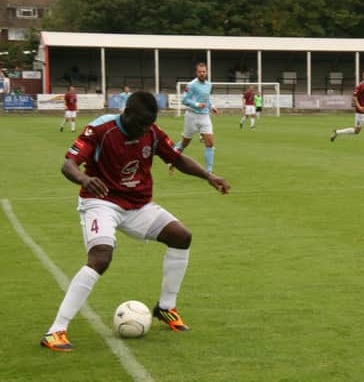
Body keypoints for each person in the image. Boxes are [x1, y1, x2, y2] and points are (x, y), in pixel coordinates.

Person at [40, 91, 231, 352]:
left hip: (138, 205)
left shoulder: (151, 131)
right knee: (100, 258)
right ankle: (56, 331)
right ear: (126, 113)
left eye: (147, 124)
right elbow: (68, 164)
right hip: (102, 201)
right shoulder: (100, 129)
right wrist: (85, 180)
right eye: (139, 124)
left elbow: (176, 158)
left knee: (181, 236)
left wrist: (209, 176)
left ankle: (165, 308)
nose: (143, 130)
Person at [173, 62, 219, 173]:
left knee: (210, 143)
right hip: (191, 116)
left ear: (206, 72)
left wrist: (212, 106)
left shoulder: (209, 85)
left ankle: (209, 171)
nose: (202, 73)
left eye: (204, 71)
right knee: (185, 143)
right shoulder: (191, 85)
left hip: (204, 116)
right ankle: (173, 153)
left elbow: (207, 99)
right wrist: (197, 104)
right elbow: (184, 100)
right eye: (200, 72)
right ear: (196, 72)